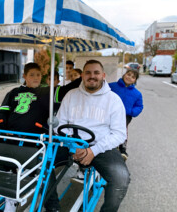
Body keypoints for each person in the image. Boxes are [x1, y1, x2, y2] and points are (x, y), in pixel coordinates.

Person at [0, 62, 81, 212]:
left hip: (36, 141)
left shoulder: (47, 92)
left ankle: (52, 206)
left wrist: (82, 74)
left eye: (38, 75)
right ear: (24, 76)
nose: (35, 78)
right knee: (3, 159)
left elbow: (68, 89)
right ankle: (10, 196)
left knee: (45, 169)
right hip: (13, 139)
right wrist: (2, 128)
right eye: (32, 75)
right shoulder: (13, 92)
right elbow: (2, 114)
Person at [52, 59, 130, 212]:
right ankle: (52, 207)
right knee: (42, 166)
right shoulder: (70, 95)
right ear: (82, 75)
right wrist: (73, 146)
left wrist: (93, 151)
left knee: (121, 178)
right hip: (71, 144)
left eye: (96, 73)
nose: (92, 76)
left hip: (101, 148)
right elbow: (59, 124)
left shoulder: (114, 100)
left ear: (103, 75)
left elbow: (119, 134)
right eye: (88, 72)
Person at [109, 69, 143, 160]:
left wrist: (132, 112)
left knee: (122, 130)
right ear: (124, 74)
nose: (129, 77)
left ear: (135, 80)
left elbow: (139, 106)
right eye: (128, 74)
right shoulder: (111, 86)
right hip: (110, 112)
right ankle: (112, 145)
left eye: (133, 77)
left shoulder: (137, 94)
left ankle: (122, 149)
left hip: (125, 115)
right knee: (109, 127)